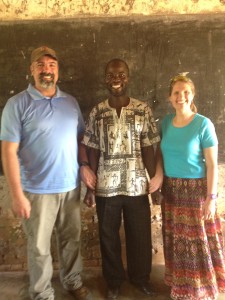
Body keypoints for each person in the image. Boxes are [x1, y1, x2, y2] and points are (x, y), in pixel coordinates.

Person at [0, 46, 96, 300]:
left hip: (70, 186)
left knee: (71, 241)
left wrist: (85, 171)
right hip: (36, 190)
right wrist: (17, 194)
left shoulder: (70, 102)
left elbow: (80, 140)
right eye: (41, 65)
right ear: (31, 69)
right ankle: (42, 292)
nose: (47, 70)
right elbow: (8, 152)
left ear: (58, 71)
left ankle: (73, 281)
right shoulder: (17, 104)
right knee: (40, 247)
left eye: (52, 65)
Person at [81, 58, 160, 299]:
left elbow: (148, 147)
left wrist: (155, 183)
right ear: (105, 78)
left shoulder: (142, 109)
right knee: (108, 237)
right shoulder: (97, 111)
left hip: (137, 184)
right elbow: (92, 148)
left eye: (122, 74)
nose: (117, 78)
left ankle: (140, 279)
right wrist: (91, 188)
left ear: (128, 77)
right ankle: (114, 281)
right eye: (112, 74)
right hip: (106, 185)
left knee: (140, 235)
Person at [150, 74, 225, 300]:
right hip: (172, 190)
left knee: (196, 242)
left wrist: (211, 198)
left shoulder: (203, 124)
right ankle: (179, 286)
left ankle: (199, 289)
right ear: (169, 97)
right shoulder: (165, 123)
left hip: (196, 192)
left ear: (192, 95)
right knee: (176, 240)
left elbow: (212, 164)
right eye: (176, 93)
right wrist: (159, 178)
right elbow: (160, 155)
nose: (181, 96)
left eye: (186, 92)